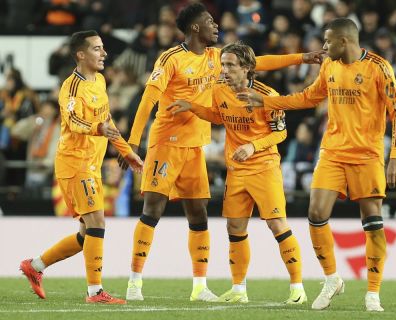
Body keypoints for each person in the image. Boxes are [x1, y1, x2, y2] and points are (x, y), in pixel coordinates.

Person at [117, 2, 323, 302]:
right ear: (196, 27)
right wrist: (132, 143)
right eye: (210, 21)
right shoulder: (171, 59)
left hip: (196, 146)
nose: (216, 25)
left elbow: (258, 62)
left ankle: (200, 287)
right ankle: (134, 283)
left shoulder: (217, 58)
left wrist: (302, 58)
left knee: (198, 215)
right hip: (166, 143)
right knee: (152, 210)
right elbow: (149, 99)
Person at [238, 18, 396, 312]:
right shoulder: (329, 66)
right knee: (315, 212)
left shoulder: (378, 68)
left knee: (372, 220)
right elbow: (309, 97)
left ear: (344, 41)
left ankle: (373, 293)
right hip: (332, 152)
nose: (324, 47)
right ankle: (332, 279)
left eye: (328, 42)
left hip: (367, 156)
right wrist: (267, 103)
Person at [167, 41, 307, 304]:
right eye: (223, 64)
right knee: (235, 227)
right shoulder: (220, 90)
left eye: (230, 65)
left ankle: (297, 288)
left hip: (264, 167)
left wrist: (253, 146)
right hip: (236, 169)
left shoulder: (267, 94)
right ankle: (239, 290)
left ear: (247, 68)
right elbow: (220, 116)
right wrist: (192, 107)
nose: (225, 70)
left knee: (277, 224)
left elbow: (281, 132)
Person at [20, 30, 143, 304]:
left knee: (87, 233)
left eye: (102, 48)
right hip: (75, 164)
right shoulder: (70, 88)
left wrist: (127, 152)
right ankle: (95, 292)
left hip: (92, 164)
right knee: (97, 222)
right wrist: (98, 128)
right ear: (81, 54)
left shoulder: (99, 80)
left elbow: (108, 122)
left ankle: (36, 265)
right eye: (97, 49)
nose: (104, 53)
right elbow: (74, 121)